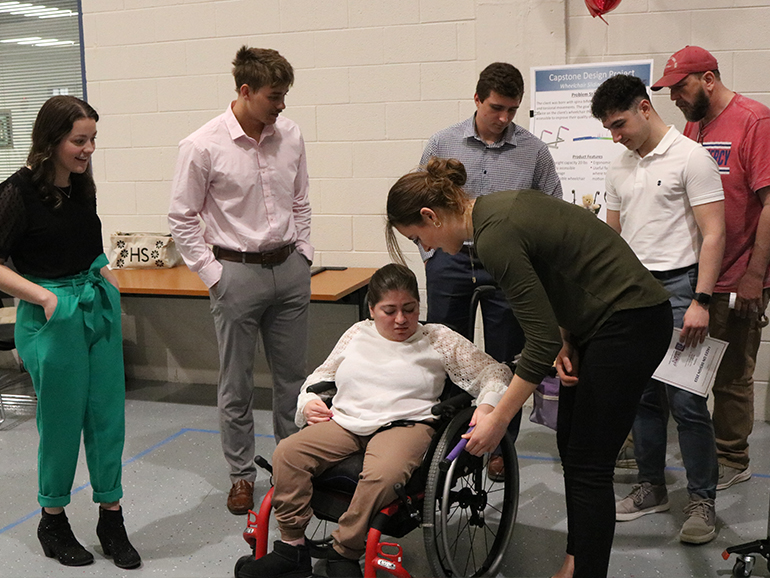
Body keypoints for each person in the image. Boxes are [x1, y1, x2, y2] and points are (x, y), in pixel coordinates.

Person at [386, 157, 673, 578]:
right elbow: (562, 273)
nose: (426, 247)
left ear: (431, 216)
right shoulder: (496, 209)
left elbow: (535, 346)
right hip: (600, 323)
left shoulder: (493, 235)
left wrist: (499, 418)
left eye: (419, 237)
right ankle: (576, 561)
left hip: (631, 323)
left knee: (590, 466)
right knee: (573, 449)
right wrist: (567, 336)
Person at [233, 263, 513, 578]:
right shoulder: (357, 333)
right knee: (288, 453)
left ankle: (344, 551)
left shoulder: (438, 338)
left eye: (409, 308)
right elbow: (320, 376)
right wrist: (309, 400)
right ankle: (292, 546)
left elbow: (495, 372)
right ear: (371, 309)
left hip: (405, 425)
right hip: (346, 420)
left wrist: (488, 405)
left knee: (383, 473)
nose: (402, 319)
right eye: (389, 310)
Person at [168, 46, 313, 516]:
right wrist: (214, 275)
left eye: (286, 95)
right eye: (275, 95)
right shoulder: (202, 145)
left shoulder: (290, 135)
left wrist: (305, 256)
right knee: (237, 384)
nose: (282, 105)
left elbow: (301, 200)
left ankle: (294, 468)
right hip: (235, 274)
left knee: (294, 380)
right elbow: (182, 218)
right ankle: (241, 476)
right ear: (245, 91)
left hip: (289, 270)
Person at [0, 96, 140, 569]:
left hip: (94, 307)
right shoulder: (16, 193)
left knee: (106, 418)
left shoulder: (82, 187)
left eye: (93, 139)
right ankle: (53, 518)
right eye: (79, 140)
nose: (88, 150)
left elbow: (91, 247)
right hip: (51, 316)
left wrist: (109, 282)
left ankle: (111, 516)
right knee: (60, 424)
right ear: (52, 139)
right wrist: (43, 298)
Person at [590, 74, 725, 544]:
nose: (616, 135)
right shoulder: (619, 166)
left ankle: (702, 499)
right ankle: (652, 487)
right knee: (642, 395)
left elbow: (713, 234)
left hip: (682, 288)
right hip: (632, 291)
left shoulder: (693, 158)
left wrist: (701, 301)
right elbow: (610, 238)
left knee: (686, 401)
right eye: (609, 128)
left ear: (645, 108)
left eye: (620, 123)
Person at [420, 62, 563, 476]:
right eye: (496, 108)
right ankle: (446, 435)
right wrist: (431, 255)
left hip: (508, 264)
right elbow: (416, 201)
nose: (503, 118)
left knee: (508, 355)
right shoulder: (442, 142)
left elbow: (551, 209)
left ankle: (499, 443)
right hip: (450, 258)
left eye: (512, 110)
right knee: (447, 351)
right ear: (478, 99)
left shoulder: (534, 151)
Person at [652, 45, 770, 491]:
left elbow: (769, 203)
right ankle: (707, 452)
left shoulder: (754, 120)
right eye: (668, 91)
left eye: (680, 87)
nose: (674, 98)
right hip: (699, 276)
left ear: (708, 79)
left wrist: (755, 275)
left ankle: (732, 457)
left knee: (734, 374)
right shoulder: (694, 125)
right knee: (689, 372)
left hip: (741, 274)